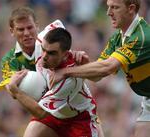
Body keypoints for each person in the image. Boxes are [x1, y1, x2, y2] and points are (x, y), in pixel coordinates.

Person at [0, 6, 104, 137]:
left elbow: (41, 112)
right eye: (20, 29)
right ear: (12, 31)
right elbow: (58, 24)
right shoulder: (40, 41)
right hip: (53, 114)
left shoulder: (68, 81)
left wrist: (15, 90)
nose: (45, 56)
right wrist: (13, 89)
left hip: (79, 118)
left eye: (29, 28)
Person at [51, 0, 150, 137]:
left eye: (115, 7)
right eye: (108, 7)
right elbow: (97, 76)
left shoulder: (142, 36)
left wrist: (65, 72)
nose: (109, 13)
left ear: (131, 9)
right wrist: (84, 65)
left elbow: (107, 67)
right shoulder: (117, 39)